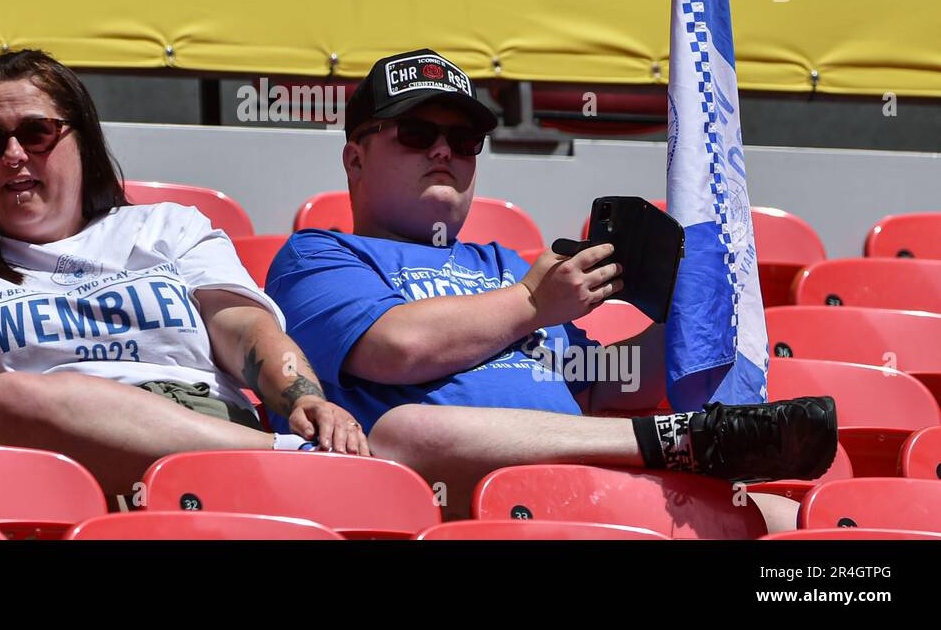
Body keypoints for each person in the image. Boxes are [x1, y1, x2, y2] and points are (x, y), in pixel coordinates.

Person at [0, 49, 367, 501]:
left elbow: (243, 329)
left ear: (83, 140)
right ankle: (291, 464)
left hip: (208, 429)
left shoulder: (166, 228)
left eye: (37, 132)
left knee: (422, 431)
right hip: (50, 487)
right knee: (11, 397)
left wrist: (305, 400)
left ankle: (290, 463)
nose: (14, 155)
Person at [265, 48, 838, 521]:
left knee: (795, 523)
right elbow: (395, 349)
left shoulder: (504, 264)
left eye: (464, 140)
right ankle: (681, 439)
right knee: (411, 429)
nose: (443, 150)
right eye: (416, 132)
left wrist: (693, 316)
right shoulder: (317, 255)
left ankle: (686, 440)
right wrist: (533, 303)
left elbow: (600, 385)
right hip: (444, 500)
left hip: (581, 486)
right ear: (355, 159)